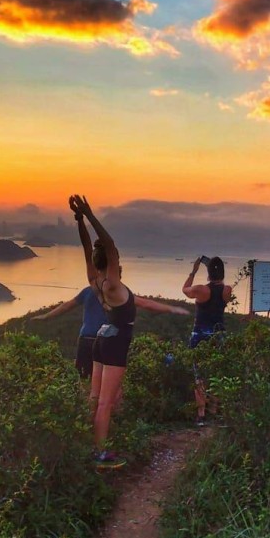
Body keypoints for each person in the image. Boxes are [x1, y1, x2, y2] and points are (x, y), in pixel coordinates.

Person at [70, 195, 189, 469]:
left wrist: (79, 221)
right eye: (115, 256)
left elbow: (87, 246)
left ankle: (89, 442)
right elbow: (107, 244)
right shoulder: (112, 284)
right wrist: (88, 213)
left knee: (95, 397)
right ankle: (99, 454)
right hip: (115, 344)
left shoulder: (95, 281)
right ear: (111, 261)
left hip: (102, 339)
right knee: (105, 403)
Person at [184, 256, 233, 426]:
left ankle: (201, 414)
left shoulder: (201, 290)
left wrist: (194, 271)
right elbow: (221, 297)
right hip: (219, 335)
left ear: (208, 272)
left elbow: (185, 289)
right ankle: (214, 410)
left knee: (199, 375)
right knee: (216, 372)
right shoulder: (227, 290)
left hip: (200, 335)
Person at [30, 286, 108, 378]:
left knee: (104, 376)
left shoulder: (118, 293)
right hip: (86, 340)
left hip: (105, 341)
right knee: (83, 375)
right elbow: (67, 306)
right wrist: (46, 316)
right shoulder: (89, 291)